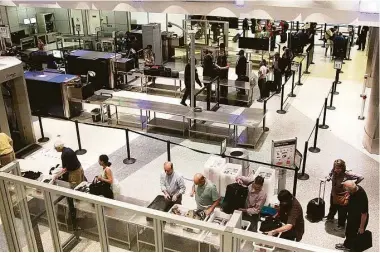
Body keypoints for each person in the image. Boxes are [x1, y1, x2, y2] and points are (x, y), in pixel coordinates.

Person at [54, 141, 85, 231]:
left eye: (56, 148)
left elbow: (65, 168)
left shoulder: (64, 154)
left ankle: (78, 204)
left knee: (75, 187)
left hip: (74, 173)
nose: (55, 150)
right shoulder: (69, 150)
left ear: (59, 148)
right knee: (81, 184)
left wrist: (57, 175)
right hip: (79, 168)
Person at [325, 159, 364, 231]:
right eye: (335, 168)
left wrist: (352, 185)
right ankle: (330, 217)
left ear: (342, 168)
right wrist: (328, 177)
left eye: (339, 168)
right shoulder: (334, 170)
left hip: (342, 196)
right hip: (334, 193)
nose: (336, 170)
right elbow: (330, 173)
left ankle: (341, 225)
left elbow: (361, 177)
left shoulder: (347, 173)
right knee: (332, 206)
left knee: (342, 211)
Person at [335, 181, 369, 251]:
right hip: (352, 216)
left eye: (346, 189)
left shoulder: (361, 196)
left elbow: (364, 214)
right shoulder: (355, 188)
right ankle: (347, 245)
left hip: (358, 219)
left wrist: (361, 227)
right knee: (348, 232)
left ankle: (349, 247)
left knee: (352, 234)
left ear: (351, 190)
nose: (345, 190)